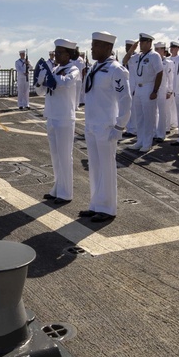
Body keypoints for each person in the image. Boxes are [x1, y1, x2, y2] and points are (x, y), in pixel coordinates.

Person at [80, 31, 131, 223]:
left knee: (107, 167)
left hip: (106, 126)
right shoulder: (95, 67)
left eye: (96, 45)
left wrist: (120, 126)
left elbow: (125, 99)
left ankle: (107, 208)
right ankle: (95, 204)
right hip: (92, 124)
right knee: (94, 166)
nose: (92, 48)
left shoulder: (116, 70)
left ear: (108, 48)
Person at [35, 39, 80, 204]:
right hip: (52, 116)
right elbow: (40, 91)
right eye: (55, 52)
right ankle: (57, 188)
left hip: (65, 117)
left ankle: (66, 192)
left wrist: (50, 77)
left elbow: (66, 82)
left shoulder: (73, 69)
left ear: (68, 54)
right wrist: (40, 80)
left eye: (59, 52)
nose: (56, 55)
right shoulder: (54, 69)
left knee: (64, 156)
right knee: (55, 156)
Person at [126, 33, 164, 153]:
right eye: (140, 42)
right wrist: (131, 49)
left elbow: (159, 73)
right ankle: (140, 141)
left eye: (143, 42)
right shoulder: (137, 56)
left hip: (148, 87)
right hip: (138, 88)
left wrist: (155, 91)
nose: (141, 44)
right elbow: (125, 60)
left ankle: (147, 143)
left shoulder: (154, 56)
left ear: (149, 43)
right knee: (139, 117)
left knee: (149, 117)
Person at [154, 41, 174, 143]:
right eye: (156, 49)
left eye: (159, 49)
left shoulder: (168, 63)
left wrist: (170, 91)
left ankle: (161, 134)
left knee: (162, 112)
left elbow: (171, 78)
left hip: (163, 89)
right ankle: (154, 132)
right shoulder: (153, 60)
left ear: (163, 50)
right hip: (153, 89)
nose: (157, 51)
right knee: (154, 113)